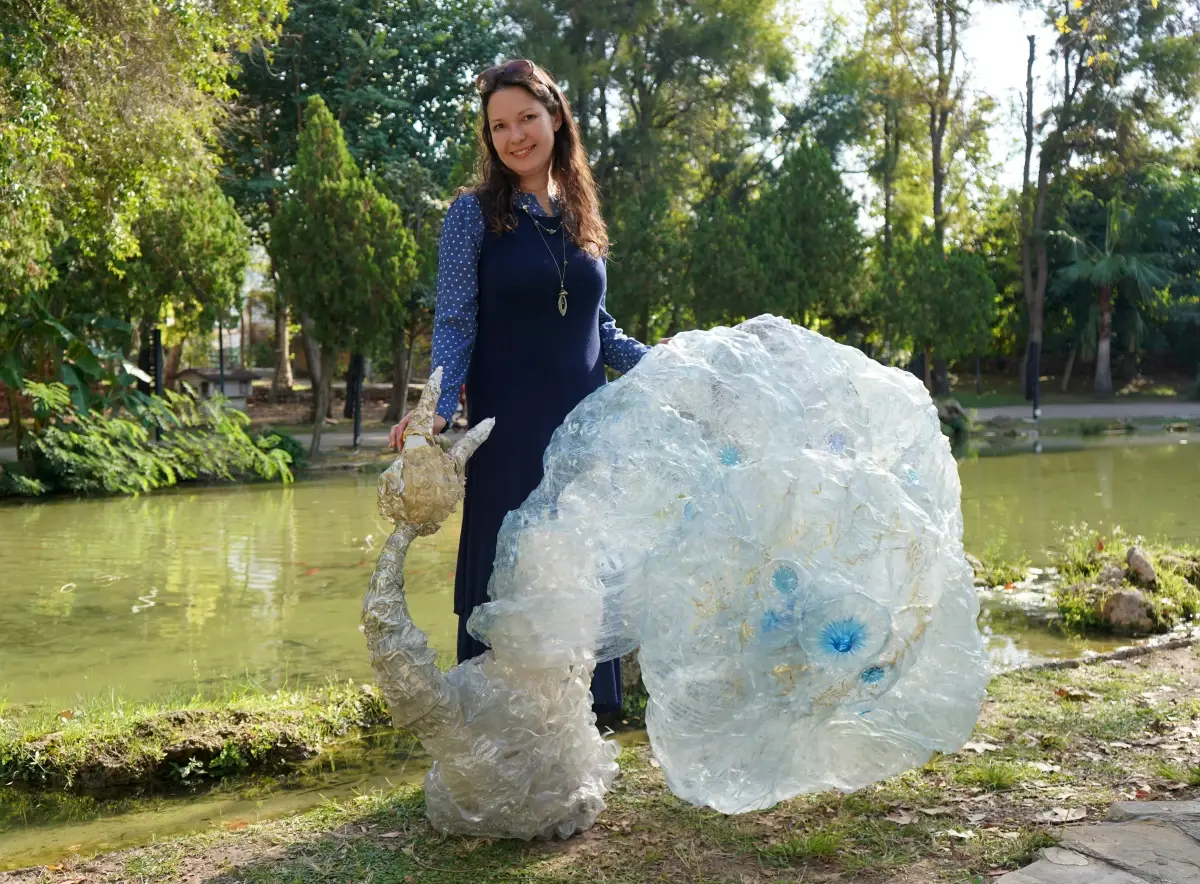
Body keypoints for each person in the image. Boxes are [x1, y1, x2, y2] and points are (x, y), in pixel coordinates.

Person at [389, 59, 663, 721]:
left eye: (526, 119)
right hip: (507, 434)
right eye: (499, 126)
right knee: (507, 573)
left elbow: (599, 327)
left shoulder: (582, 214)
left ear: (556, 117)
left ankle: (581, 721)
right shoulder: (471, 216)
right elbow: (455, 322)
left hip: (585, 436)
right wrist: (436, 403)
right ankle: (499, 730)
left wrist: (666, 364)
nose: (515, 136)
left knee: (575, 571)